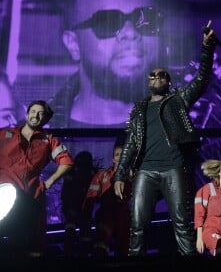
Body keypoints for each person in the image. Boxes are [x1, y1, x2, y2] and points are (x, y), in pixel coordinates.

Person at [113, 20, 219, 256]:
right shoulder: (139, 109)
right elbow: (130, 142)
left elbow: (201, 80)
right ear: (149, 81)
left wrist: (206, 48)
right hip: (145, 171)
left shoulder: (178, 99)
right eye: (153, 75)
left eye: (162, 75)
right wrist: (120, 174)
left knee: (182, 224)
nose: (157, 77)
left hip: (173, 168)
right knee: (138, 225)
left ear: (169, 81)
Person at [49, 0, 182, 128]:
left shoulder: (197, 129)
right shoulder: (31, 142)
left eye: (146, 20)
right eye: (107, 22)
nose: (131, 33)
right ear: (73, 44)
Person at [0, 100, 74, 257]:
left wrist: (49, 182)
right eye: (33, 111)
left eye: (41, 113)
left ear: (46, 120)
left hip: (30, 197)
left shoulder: (48, 141)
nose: (36, 115)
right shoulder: (6, 135)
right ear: (27, 114)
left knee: (30, 244)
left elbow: (66, 162)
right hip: (3, 196)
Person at [82, 143, 132, 258]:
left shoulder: (132, 176)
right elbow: (90, 197)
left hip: (124, 215)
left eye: (123, 154)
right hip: (106, 214)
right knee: (101, 244)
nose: (120, 157)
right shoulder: (102, 175)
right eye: (117, 155)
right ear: (113, 159)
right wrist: (86, 218)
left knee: (124, 247)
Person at [60, 150, 96, 257]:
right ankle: (75, 254)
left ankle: (72, 254)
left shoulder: (86, 173)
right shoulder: (89, 173)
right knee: (76, 230)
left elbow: (65, 193)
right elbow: (66, 192)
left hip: (81, 207)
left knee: (76, 230)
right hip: (76, 207)